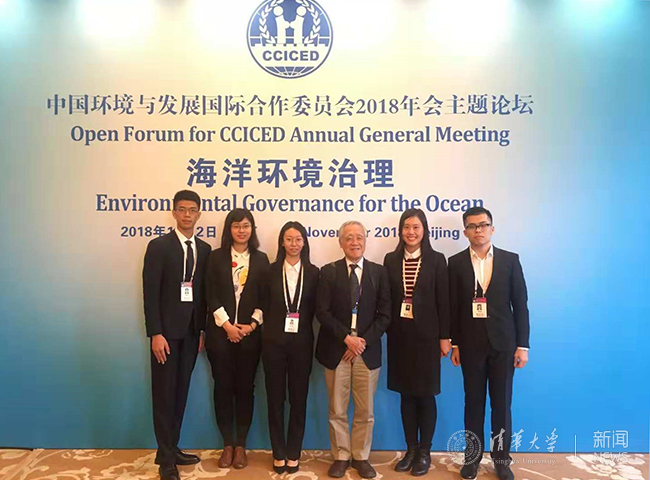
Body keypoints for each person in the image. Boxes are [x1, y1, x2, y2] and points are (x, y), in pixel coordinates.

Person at [448, 207, 530, 480]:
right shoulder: (455, 263)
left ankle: (501, 460)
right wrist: (455, 344)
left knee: (501, 406)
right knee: (473, 404)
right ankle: (472, 459)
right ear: (465, 232)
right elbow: (453, 308)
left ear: (492, 229)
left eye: (483, 225)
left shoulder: (510, 260)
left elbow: (520, 305)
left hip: (504, 345)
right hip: (470, 346)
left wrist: (523, 346)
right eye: (472, 226)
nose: (478, 230)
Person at [142, 190, 211, 480]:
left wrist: (202, 329)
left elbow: (203, 294)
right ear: (173, 212)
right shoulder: (159, 246)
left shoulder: (205, 249)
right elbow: (150, 292)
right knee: (164, 394)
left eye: (192, 210)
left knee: (181, 393)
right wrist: (155, 333)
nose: (187, 215)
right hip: (166, 336)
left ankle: (171, 448)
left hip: (192, 334)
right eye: (182, 209)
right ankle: (166, 460)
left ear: (198, 214)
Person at [316, 221, 391, 479]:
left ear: (366, 241)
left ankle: (360, 456)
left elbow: (385, 314)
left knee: (365, 410)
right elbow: (322, 312)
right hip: (336, 349)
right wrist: (347, 339)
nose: (354, 242)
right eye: (348, 238)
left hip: (366, 352)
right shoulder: (328, 272)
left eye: (359, 237)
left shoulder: (378, 273)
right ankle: (341, 456)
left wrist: (361, 342)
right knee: (337, 408)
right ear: (340, 243)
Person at [383, 209, 451, 476]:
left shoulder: (436, 259)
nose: (410, 232)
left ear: (424, 230)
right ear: (400, 231)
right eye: (406, 227)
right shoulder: (391, 259)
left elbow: (443, 301)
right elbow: (388, 298)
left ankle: (425, 452)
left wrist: (445, 337)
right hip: (400, 337)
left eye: (416, 227)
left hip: (428, 338)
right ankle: (410, 449)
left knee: (426, 394)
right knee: (406, 394)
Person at [204, 208, 270, 469]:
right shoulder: (215, 257)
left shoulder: (261, 259)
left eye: (246, 225)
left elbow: (266, 297)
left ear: (252, 229)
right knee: (222, 388)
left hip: (249, 336)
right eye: (236, 226)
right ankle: (227, 445)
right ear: (229, 229)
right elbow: (209, 294)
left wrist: (252, 324)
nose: (241, 230)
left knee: (245, 389)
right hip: (220, 335)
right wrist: (227, 326)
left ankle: (241, 444)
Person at [262, 221, 319, 474]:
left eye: (298, 239)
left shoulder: (314, 273)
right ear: (282, 243)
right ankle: (278, 451)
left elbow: (319, 309)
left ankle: (293, 452)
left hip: (302, 345)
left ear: (304, 242)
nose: (293, 244)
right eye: (288, 239)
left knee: (298, 400)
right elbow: (262, 305)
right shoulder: (270, 271)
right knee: (275, 399)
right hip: (273, 344)